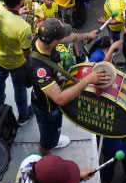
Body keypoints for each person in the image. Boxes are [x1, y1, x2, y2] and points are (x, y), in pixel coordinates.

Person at [27, 19, 109, 154]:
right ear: (54, 42)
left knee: (52, 131)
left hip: (52, 92)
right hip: (48, 108)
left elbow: (69, 38)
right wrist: (87, 80)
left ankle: (53, 138)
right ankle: (47, 151)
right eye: (60, 37)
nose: (64, 38)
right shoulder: (38, 68)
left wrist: (88, 36)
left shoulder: (41, 39)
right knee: (48, 136)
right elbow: (59, 99)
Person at [0, 0, 33, 126]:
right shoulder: (23, 28)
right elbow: (27, 55)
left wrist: (17, 13)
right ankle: (23, 117)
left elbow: (4, 16)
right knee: (19, 89)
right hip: (16, 63)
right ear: (21, 1)